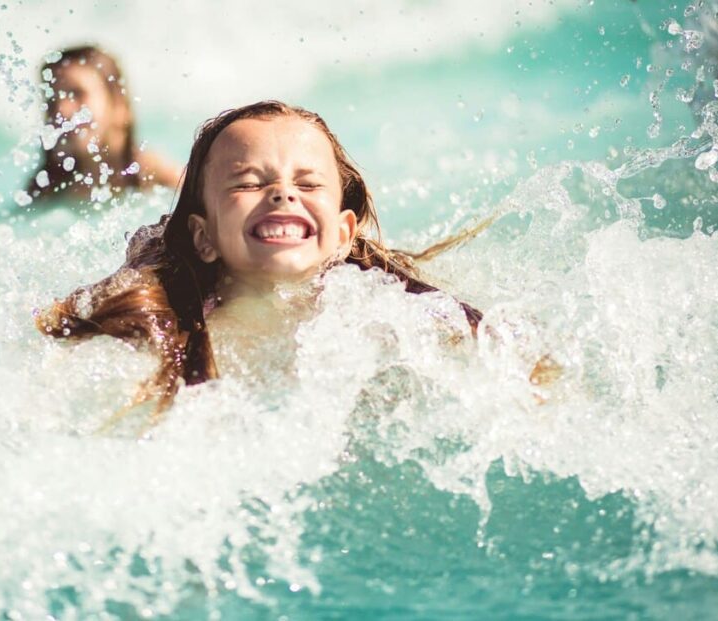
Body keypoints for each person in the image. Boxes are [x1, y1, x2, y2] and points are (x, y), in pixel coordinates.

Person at [34, 101, 487, 422]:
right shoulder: (164, 337)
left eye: (308, 185)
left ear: (344, 235)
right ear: (204, 236)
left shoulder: (391, 322)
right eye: (248, 182)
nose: (283, 193)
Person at [26, 45, 181, 203]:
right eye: (52, 100)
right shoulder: (47, 189)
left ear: (119, 105)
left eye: (77, 94)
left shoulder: (162, 179)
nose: (61, 110)